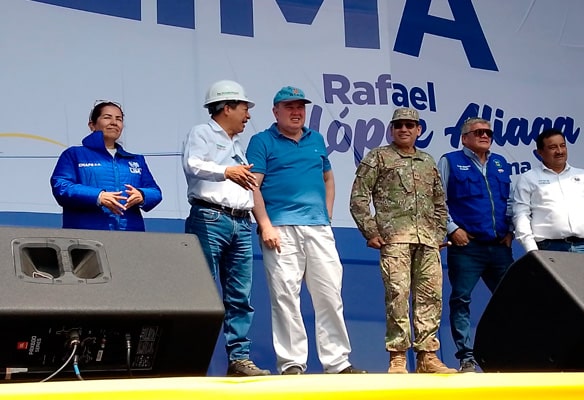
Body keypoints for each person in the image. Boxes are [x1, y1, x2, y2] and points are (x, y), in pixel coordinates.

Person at [246, 86, 365, 375]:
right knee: (285, 296)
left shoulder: (316, 139)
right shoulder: (262, 141)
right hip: (280, 229)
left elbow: (328, 178)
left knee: (330, 294)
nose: (296, 112)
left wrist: (327, 214)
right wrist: (265, 225)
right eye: (289, 107)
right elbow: (252, 186)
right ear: (275, 111)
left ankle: (337, 363)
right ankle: (292, 363)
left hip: (318, 228)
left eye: (300, 107)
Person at [350, 107, 456, 374]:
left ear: (419, 130)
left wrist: (438, 234)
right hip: (395, 239)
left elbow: (439, 202)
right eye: (399, 125)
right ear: (392, 129)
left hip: (427, 241)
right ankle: (397, 357)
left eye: (410, 125)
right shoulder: (378, 157)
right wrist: (370, 231)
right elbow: (359, 197)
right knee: (397, 295)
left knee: (430, 297)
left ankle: (427, 356)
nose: (404, 129)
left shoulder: (427, 161)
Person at [181, 80, 270, 377]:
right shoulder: (202, 133)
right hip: (210, 218)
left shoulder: (237, 145)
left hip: (241, 223)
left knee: (240, 296)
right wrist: (226, 171)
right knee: (201, 292)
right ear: (227, 107)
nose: (248, 115)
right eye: (244, 108)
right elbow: (192, 164)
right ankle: (192, 360)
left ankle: (239, 359)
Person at [437, 117, 514, 373]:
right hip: (467, 247)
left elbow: (509, 201)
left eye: (488, 133)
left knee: (512, 300)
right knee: (461, 300)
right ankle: (466, 357)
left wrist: (510, 230)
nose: (484, 136)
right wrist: (452, 229)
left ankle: (508, 354)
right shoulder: (450, 161)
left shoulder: (500, 163)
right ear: (464, 138)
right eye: (478, 132)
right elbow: (437, 200)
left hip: (499, 247)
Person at [50, 101, 162, 231]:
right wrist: (98, 196)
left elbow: (155, 191)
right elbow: (61, 187)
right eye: (107, 117)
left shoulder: (136, 160)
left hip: (130, 234)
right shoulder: (74, 154)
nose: (114, 122)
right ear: (92, 125)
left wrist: (142, 195)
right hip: (86, 235)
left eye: (119, 119)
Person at [513, 128, 584, 253]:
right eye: (553, 147)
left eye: (562, 146)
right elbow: (521, 215)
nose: (559, 151)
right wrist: (531, 249)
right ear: (540, 152)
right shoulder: (529, 178)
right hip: (548, 248)